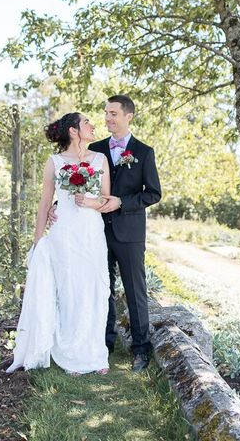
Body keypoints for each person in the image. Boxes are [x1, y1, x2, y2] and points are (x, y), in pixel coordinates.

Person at [6, 112, 111, 375]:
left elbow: (106, 198)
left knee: (95, 288)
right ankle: (70, 353)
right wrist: (37, 240)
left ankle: (96, 354)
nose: (93, 125)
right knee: (70, 289)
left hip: (91, 230)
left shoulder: (100, 159)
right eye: (87, 122)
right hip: (64, 232)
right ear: (74, 130)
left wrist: (87, 201)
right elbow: (44, 203)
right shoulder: (54, 162)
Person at [78, 94, 162, 371]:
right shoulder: (96, 149)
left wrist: (122, 202)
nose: (107, 118)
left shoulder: (144, 152)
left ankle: (141, 349)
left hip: (129, 232)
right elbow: (78, 182)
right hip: (97, 230)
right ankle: (103, 344)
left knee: (135, 291)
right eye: (105, 113)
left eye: (113, 113)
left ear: (129, 116)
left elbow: (153, 193)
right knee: (102, 289)